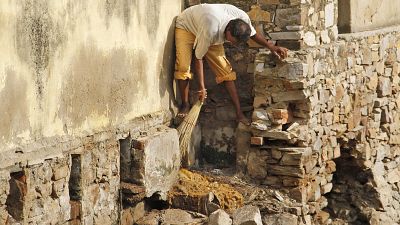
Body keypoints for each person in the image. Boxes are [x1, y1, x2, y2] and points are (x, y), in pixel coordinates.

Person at [174, 3, 288, 125]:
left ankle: (239, 114)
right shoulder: (211, 28)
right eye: (232, 40)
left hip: (209, 32)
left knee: (226, 72)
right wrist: (202, 87)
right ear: (228, 30)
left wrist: (271, 47)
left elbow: (253, 35)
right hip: (187, 27)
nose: (233, 44)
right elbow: (198, 57)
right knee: (183, 67)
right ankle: (185, 104)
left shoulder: (242, 19)